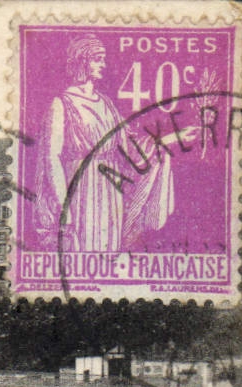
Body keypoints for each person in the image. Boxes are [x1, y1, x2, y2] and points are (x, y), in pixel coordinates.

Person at [37, 36, 200, 249]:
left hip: (110, 191)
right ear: (82, 61)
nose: (103, 64)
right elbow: (52, 158)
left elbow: (130, 147)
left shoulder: (106, 104)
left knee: (108, 252)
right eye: (98, 59)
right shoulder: (61, 104)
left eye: (103, 59)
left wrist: (172, 138)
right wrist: (64, 209)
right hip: (80, 190)